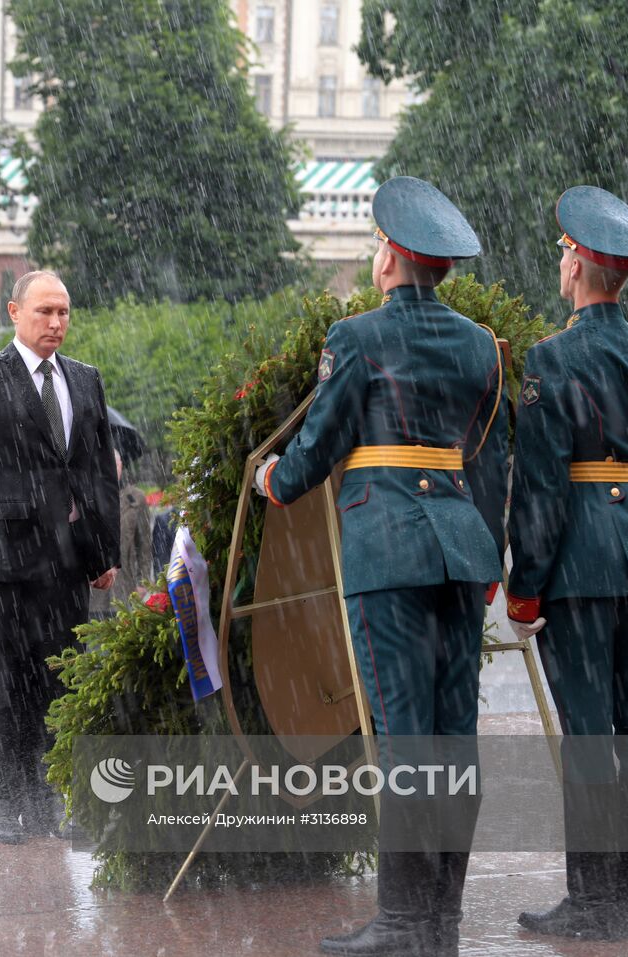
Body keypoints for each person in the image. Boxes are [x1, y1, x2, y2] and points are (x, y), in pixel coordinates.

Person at [253, 177, 507, 957]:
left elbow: (320, 443)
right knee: (451, 737)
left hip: (388, 543)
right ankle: (442, 919)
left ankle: (401, 923)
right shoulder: (480, 344)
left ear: (392, 257)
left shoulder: (356, 336)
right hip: (461, 547)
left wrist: (273, 477)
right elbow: (487, 455)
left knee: (401, 737)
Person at [506, 186, 628, 942]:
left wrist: (524, 587)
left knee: (587, 735)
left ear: (578, 265)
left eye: (563, 254)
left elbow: (542, 490)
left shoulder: (550, 359)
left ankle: (590, 900)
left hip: (578, 562)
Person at [0, 269, 120, 844]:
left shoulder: (86, 380)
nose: (56, 323)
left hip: (68, 563)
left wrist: (103, 553)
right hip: (6, 563)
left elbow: (96, 473)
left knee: (61, 683)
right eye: (44, 311)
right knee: (9, 683)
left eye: (64, 312)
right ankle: (3, 798)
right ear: (15, 312)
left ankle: (51, 796)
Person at [88, 451, 153, 618]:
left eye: (114, 464)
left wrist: (143, 582)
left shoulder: (136, 499)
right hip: (94, 593)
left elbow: (144, 545)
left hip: (125, 589)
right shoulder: (88, 497)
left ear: (121, 465)